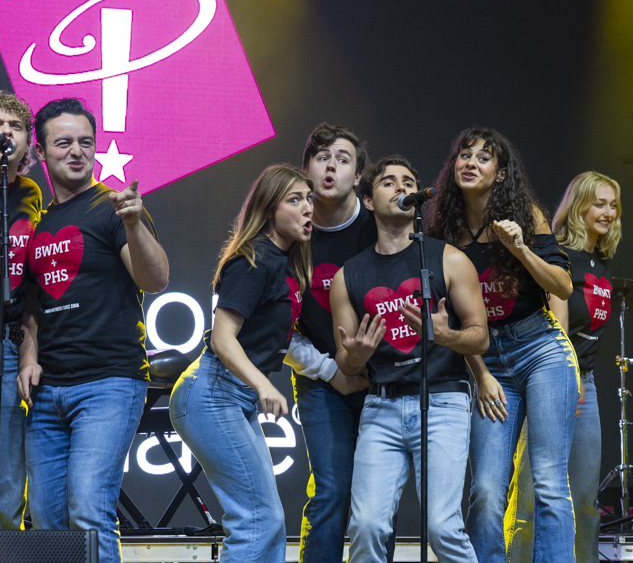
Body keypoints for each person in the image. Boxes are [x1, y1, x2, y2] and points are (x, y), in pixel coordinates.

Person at [18, 98, 168, 563]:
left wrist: (134, 225)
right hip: (47, 394)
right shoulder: (37, 222)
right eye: (63, 142)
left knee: (88, 508)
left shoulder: (114, 208)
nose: (77, 151)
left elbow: (156, 279)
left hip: (108, 383)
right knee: (44, 519)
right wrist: (28, 356)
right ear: (42, 152)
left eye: (86, 142)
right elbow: (32, 310)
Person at [427, 128, 578, 563]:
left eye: (484, 157)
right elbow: (457, 321)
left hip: (539, 348)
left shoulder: (527, 216)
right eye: (464, 155)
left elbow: (563, 287)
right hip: (486, 359)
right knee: (487, 488)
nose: (470, 162)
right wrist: (482, 373)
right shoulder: (442, 231)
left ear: (501, 173)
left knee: (549, 481)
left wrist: (521, 249)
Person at [332, 155, 489, 563]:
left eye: (408, 181)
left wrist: (444, 334)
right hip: (380, 405)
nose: (400, 187)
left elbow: (480, 338)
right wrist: (357, 357)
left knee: (442, 527)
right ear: (368, 200)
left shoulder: (449, 259)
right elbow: (345, 364)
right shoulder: (348, 276)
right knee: (366, 526)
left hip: (443, 401)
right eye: (387, 182)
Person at [169, 164, 313, 563]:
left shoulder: (281, 263)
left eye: (309, 200)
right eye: (295, 200)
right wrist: (265, 385)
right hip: (214, 393)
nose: (308, 209)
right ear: (268, 209)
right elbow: (222, 338)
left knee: (265, 520)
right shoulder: (255, 260)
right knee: (257, 521)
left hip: (232, 397)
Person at [507, 171, 622, 563]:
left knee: (587, 499)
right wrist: (567, 383)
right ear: (578, 207)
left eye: (613, 205)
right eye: (599, 203)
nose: (608, 212)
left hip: (585, 386)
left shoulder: (602, 263)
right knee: (531, 498)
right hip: (555, 381)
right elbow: (556, 331)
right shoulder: (560, 255)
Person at [289, 124, 380, 563]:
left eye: (343, 159)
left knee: (376, 502)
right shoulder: (290, 232)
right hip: (322, 378)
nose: (331, 166)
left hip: (383, 380)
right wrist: (332, 371)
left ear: (358, 175)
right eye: (322, 157)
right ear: (306, 168)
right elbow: (274, 328)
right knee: (330, 490)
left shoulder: (380, 228)